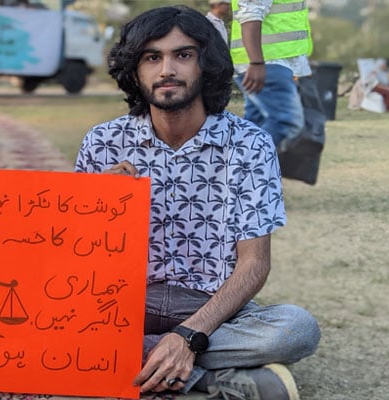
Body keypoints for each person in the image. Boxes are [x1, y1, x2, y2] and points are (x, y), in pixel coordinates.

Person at [74, 6, 320, 399]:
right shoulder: (102, 143)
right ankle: (203, 379)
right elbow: (77, 257)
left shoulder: (250, 145)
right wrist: (96, 205)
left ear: (207, 64)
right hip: (122, 305)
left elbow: (255, 263)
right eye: (152, 57)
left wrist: (189, 335)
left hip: (212, 308)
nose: (167, 69)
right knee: (49, 322)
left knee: (296, 328)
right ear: (134, 71)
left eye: (183, 55)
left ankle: (137, 361)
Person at [230, 0, 313, 152]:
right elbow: (250, 15)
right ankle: (243, 168)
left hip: (275, 61)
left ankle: (238, 170)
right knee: (287, 121)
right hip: (267, 62)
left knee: (257, 124)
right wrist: (256, 62)